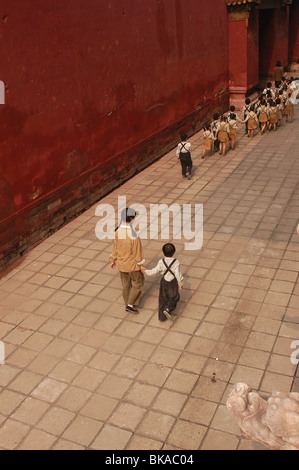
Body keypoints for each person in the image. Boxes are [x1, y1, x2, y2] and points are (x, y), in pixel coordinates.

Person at [110, 207, 145, 314]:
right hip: (132, 265)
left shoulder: (117, 231)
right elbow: (137, 253)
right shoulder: (133, 235)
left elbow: (115, 247)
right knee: (139, 281)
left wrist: (113, 260)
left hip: (121, 264)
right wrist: (141, 265)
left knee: (126, 284)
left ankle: (127, 303)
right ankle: (130, 304)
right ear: (131, 218)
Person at [141, 243, 183, 322]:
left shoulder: (161, 261)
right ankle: (168, 309)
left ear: (163, 252)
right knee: (175, 297)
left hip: (164, 282)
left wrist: (145, 271)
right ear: (174, 252)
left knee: (162, 299)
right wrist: (180, 284)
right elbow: (178, 274)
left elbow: (154, 271)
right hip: (172, 282)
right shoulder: (176, 262)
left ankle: (161, 317)